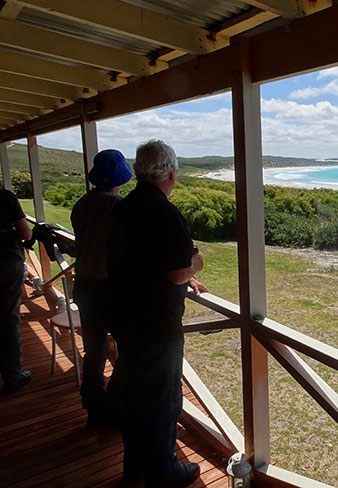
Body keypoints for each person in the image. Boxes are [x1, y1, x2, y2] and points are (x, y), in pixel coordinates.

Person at [108, 140, 206, 488]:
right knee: (163, 399)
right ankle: (164, 470)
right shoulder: (164, 213)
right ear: (170, 172)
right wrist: (197, 263)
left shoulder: (124, 207)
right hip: (155, 324)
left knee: (135, 395)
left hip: (124, 316)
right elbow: (177, 271)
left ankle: (133, 466)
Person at [71, 149, 132, 425]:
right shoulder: (116, 205)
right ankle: (115, 404)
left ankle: (94, 405)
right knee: (130, 348)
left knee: (94, 350)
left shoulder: (82, 204)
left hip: (84, 286)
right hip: (109, 288)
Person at [0, 188, 32, 394]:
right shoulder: (5, 197)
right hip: (7, 263)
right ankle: (12, 375)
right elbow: (25, 233)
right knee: (8, 319)